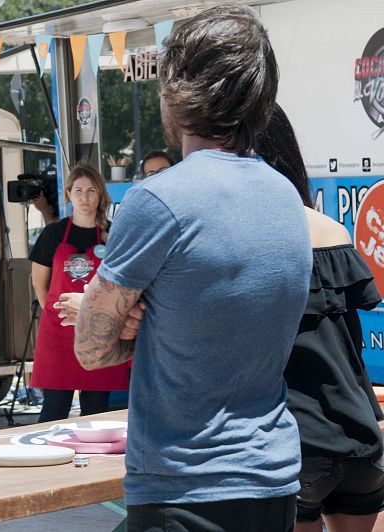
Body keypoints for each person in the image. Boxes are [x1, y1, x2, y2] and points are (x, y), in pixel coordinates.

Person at [74, 5, 311, 531]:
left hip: (185, 483)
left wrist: (141, 326)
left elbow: (90, 350)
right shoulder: (288, 202)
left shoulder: (157, 201)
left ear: (175, 89)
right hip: (272, 479)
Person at [256, 104, 384, 532]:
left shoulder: (251, 233)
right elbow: (351, 347)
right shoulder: (332, 230)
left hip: (299, 442)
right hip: (361, 438)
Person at [29, 161, 129, 423]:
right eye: (79, 191)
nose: (85, 197)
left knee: (95, 414)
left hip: (100, 333)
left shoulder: (113, 234)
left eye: (92, 191)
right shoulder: (53, 234)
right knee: (54, 410)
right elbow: (39, 284)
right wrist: (52, 314)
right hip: (58, 336)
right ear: (69, 195)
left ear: (101, 196)